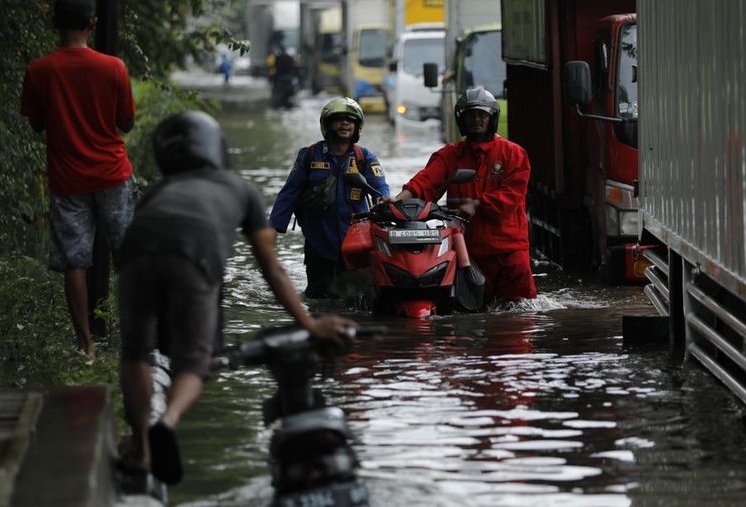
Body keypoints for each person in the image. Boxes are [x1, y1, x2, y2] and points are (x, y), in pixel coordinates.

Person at [117, 111, 356, 486]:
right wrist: (309, 324)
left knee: (135, 354)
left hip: (133, 255)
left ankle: (142, 451)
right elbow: (273, 269)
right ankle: (168, 421)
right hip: (194, 257)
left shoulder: (157, 192)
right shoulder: (239, 188)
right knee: (195, 363)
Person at [20, 0, 136, 358]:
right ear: (93, 23)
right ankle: (138, 340)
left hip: (67, 180)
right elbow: (126, 123)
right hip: (113, 175)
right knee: (129, 258)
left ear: (55, 25)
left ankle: (86, 348)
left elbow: (37, 123)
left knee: (75, 262)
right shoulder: (113, 67)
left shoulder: (39, 70)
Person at [392, 87, 537, 303]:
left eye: (482, 115)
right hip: (468, 252)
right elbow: (424, 184)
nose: (476, 120)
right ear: (462, 120)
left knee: (521, 312)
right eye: (471, 115)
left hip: (510, 249)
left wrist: (477, 204)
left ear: (491, 118)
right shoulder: (450, 155)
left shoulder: (513, 154)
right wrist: (396, 202)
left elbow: (512, 193)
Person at [270, 97, 390, 298]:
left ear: (357, 127)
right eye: (339, 119)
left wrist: (384, 200)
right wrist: (273, 228)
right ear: (327, 124)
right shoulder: (309, 155)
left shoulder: (364, 157)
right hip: (318, 241)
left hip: (355, 243)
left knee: (357, 300)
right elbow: (289, 194)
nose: (345, 124)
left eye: (350, 120)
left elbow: (380, 187)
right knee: (318, 299)